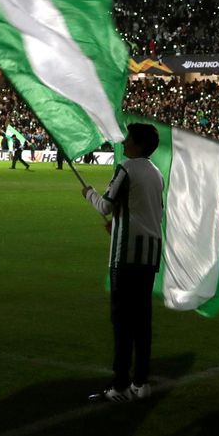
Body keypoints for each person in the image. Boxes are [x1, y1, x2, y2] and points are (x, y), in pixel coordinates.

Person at [81, 122, 165, 402]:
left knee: (122, 322)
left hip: (126, 256)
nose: (124, 143)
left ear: (138, 145)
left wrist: (89, 193)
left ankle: (119, 386)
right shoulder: (156, 173)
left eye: (129, 139)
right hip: (149, 254)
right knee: (143, 322)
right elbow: (148, 211)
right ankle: (141, 383)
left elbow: (106, 205)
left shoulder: (126, 168)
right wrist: (117, 225)